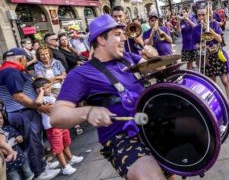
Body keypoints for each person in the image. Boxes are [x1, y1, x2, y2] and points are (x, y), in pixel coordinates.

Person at [50, 14, 172, 179]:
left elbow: (161, 68)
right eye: (117, 34)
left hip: (150, 124)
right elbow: (56, 116)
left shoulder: (128, 58)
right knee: (150, 176)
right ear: (101, 39)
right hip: (120, 137)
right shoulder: (80, 74)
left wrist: (154, 55)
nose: (124, 38)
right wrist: (87, 112)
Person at [0, 48, 60, 179]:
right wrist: (40, 107)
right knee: (33, 143)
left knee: (36, 141)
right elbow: (18, 97)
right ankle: (40, 172)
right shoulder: (11, 71)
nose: (26, 62)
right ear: (20, 58)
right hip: (22, 112)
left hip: (22, 112)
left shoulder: (9, 70)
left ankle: (42, 165)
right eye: (26, 59)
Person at [192, 7, 229, 122]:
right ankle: (217, 108)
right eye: (199, 15)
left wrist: (209, 29)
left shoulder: (214, 24)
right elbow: (194, 45)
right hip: (207, 58)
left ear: (207, 15)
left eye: (203, 15)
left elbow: (219, 39)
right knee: (213, 84)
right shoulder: (195, 29)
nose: (201, 17)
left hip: (218, 56)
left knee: (225, 82)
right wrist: (201, 46)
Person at [32, 78, 83, 176]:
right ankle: (65, 167)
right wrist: (41, 92)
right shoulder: (41, 99)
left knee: (65, 142)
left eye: (49, 86)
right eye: (46, 88)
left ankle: (70, 158)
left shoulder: (50, 96)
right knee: (58, 148)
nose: (49, 89)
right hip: (52, 127)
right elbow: (37, 103)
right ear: (39, 90)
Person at [0, 110, 34, 180]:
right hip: (8, 166)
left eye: (1, 118)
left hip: (20, 158)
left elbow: (18, 135)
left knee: (29, 174)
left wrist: (19, 138)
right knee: (15, 178)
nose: (0, 121)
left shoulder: (8, 128)